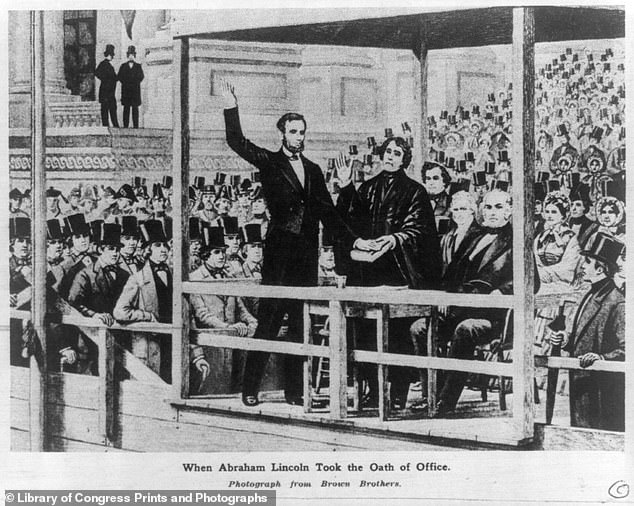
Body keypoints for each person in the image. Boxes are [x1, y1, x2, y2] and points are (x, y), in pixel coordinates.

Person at [221, 79, 358, 407]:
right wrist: (230, 105)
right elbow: (236, 140)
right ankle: (250, 388)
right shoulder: (269, 162)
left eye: (302, 132)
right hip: (280, 255)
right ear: (282, 133)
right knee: (268, 322)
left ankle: (295, 392)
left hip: (307, 256)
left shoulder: (313, 169)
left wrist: (348, 195)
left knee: (301, 325)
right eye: (294, 132)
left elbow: (329, 215)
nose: (299, 137)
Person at [335, 136, 442, 409]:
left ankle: (397, 394)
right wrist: (347, 187)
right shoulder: (368, 188)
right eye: (387, 152)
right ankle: (374, 389)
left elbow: (421, 231)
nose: (390, 157)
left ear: (405, 158)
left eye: (396, 153)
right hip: (369, 275)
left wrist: (393, 240)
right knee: (367, 332)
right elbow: (349, 222)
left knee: (398, 337)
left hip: (400, 275)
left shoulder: (415, 191)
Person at [113, 220, 209, 383]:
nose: (163, 249)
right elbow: (120, 312)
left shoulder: (177, 277)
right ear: (148, 250)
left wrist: (197, 355)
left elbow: (189, 317)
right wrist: (146, 316)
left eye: (165, 245)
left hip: (175, 347)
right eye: (157, 245)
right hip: (149, 349)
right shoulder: (137, 279)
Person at [548, 232, 625, 431]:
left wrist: (601, 357)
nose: (582, 266)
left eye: (588, 262)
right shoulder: (589, 294)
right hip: (583, 384)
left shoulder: (618, 303)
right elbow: (580, 336)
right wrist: (564, 340)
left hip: (602, 391)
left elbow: (627, 349)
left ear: (601, 269)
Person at [534, 191, 581, 294]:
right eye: (547, 211)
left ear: (563, 215)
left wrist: (542, 273)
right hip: (539, 285)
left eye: (554, 212)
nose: (549, 216)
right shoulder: (540, 237)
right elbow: (534, 261)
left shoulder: (569, 237)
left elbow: (568, 268)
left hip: (561, 287)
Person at [117, 45, 144, 128]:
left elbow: (141, 77)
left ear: (134, 55)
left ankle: (136, 126)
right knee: (126, 108)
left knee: (135, 109)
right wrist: (126, 82)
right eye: (129, 54)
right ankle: (125, 126)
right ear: (127, 56)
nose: (131, 56)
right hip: (126, 91)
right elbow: (119, 77)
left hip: (135, 91)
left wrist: (134, 82)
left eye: (132, 54)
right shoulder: (123, 66)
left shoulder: (138, 66)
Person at [95, 44, 119, 128]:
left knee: (112, 109)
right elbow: (97, 73)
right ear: (109, 55)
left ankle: (114, 125)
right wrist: (105, 79)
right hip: (106, 92)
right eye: (111, 55)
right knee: (106, 110)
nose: (112, 57)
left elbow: (115, 78)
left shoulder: (109, 65)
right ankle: (107, 126)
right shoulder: (103, 64)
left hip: (110, 92)